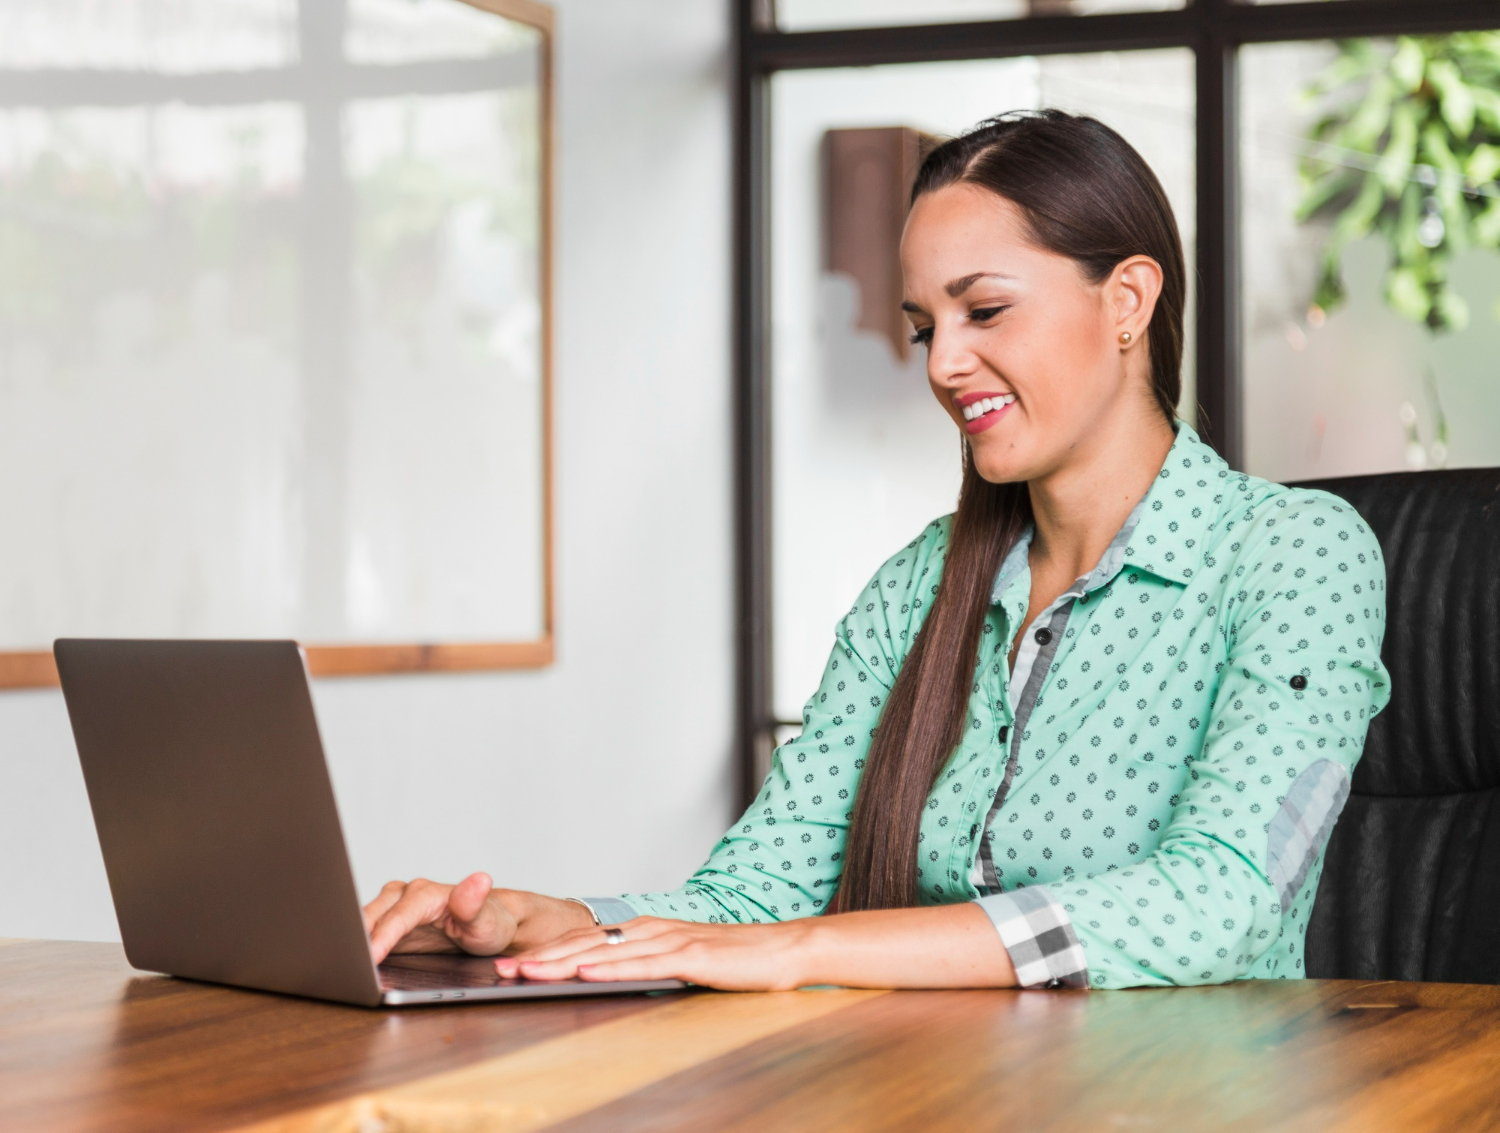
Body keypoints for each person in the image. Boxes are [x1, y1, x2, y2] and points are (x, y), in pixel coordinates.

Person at [363, 110, 1389, 991]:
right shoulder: (918, 588)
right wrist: (569, 926)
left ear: (1127, 301)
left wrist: (813, 949)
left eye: (984, 310)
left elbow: (1225, 899)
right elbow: (757, 891)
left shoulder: (1293, 556)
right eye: (922, 326)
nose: (944, 364)